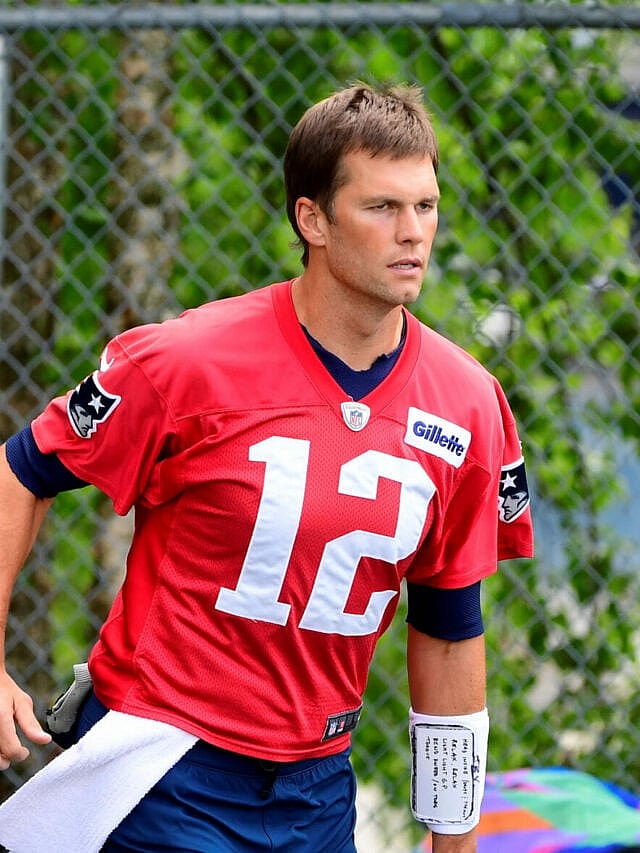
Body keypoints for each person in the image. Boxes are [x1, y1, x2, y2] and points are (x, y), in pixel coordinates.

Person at [0, 82, 533, 852]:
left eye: (426, 205)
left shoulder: (469, 404)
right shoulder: (189, 360)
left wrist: (454, 834)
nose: (413, 231)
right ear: (312, 218)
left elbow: (449, 630)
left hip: (317, 787)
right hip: (161, 765)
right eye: (382, 207)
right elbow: (22, 469)